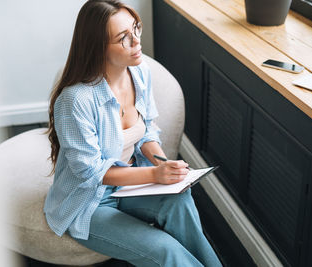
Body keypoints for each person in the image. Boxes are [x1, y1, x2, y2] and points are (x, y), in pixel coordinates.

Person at [44, 1, 222, 266]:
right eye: (123, 38)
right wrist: (154, 175)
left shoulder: (139, 73)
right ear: (98, 47)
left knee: (180, 200)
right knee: (165, 250)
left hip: (130, 185)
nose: (136, 41)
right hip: (89, 203)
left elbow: (147, 131)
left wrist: (164, 166)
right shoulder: (75, 101)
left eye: (135, 29)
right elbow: (91, 174)